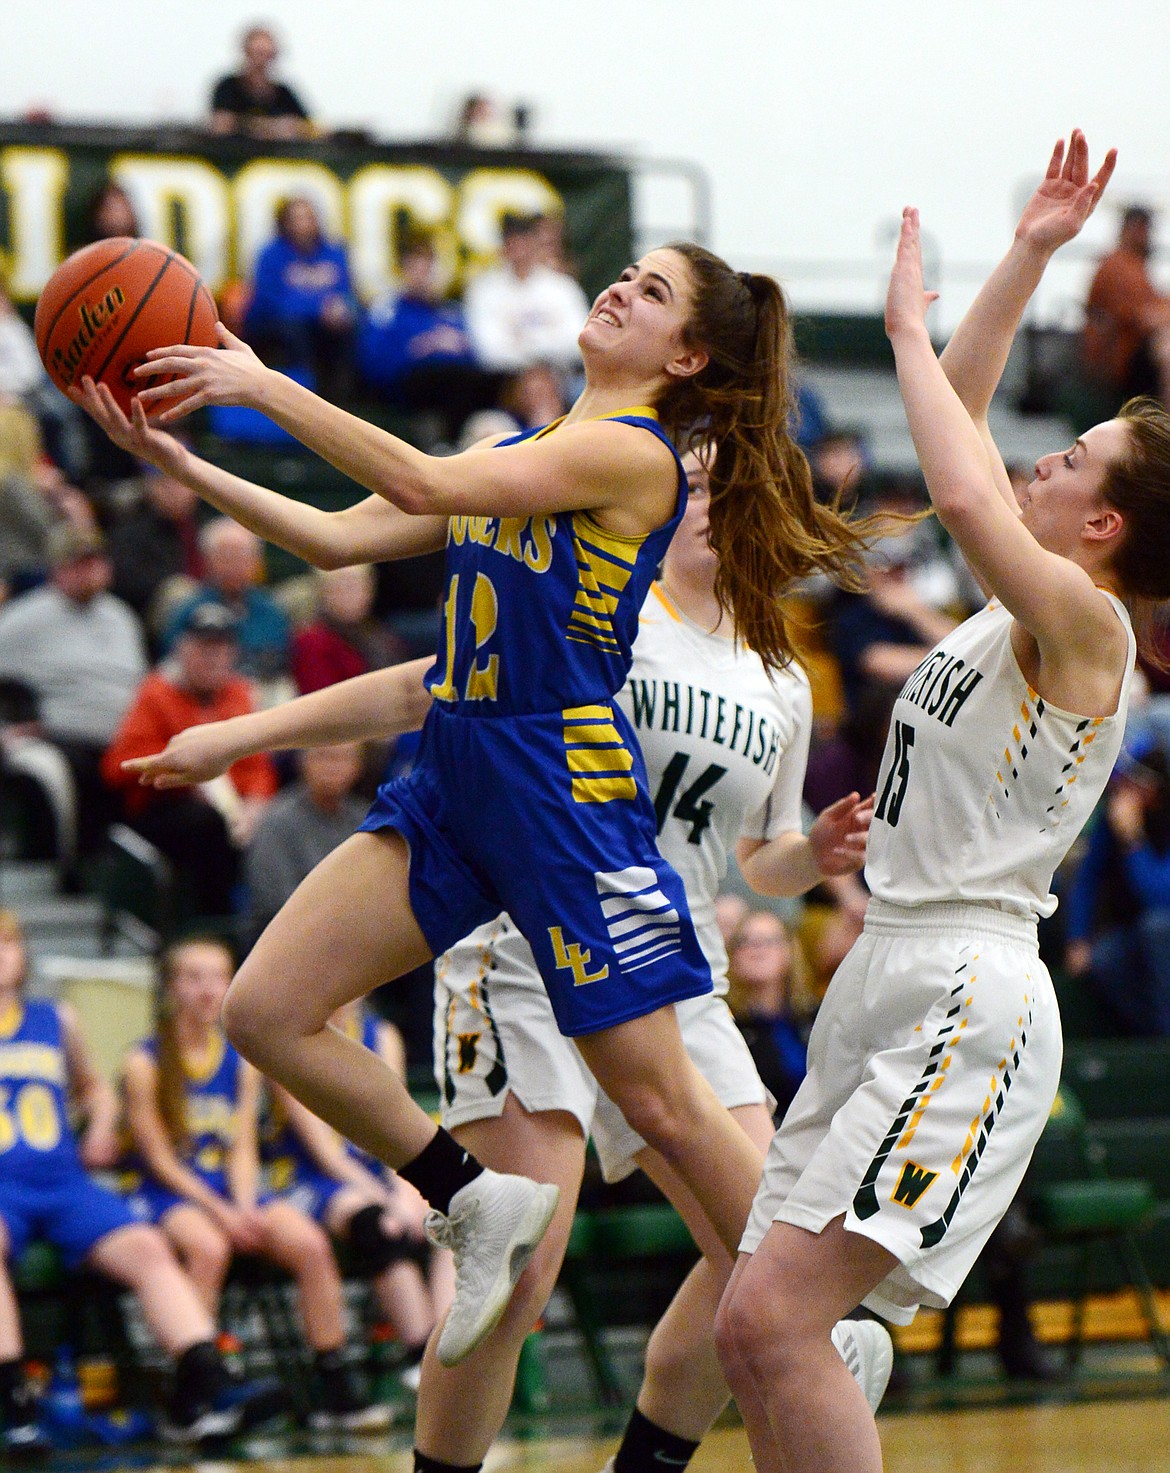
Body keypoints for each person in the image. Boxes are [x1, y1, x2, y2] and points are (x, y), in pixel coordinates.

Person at [74, 234, 876, 1373]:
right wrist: (179, 463)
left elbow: (422, 483)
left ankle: (836, 1328)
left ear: (689, 355)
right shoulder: (535, 444)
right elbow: (339, 533)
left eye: (651, 292)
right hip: (460, 767)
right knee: (267, 1010)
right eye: (626, 272)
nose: (617, 288)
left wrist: (260, 384)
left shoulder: (634, 456)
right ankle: (468, 1195)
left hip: (562, 788)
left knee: (663, 1106)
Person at [119, 451, 892, 1473]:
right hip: (526, 943)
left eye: (719, 486)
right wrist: (243, 736)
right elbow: (419, 689)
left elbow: (756, 856)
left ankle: (654, 1455)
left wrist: (813, 856)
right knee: (519, 1279)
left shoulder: (779, 676)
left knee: (762, 1249)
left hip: (677, 961)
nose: (698, 499)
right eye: (689, 483)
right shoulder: (605, 603)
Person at [714, 131, 1170, 1473]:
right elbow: (962, 421)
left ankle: (840, 1363)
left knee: (775, 1326)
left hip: (968, 991)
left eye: (1070, 456)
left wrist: (903, 328)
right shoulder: (1005, 610)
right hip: (884, 964)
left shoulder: (1085, 628)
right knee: (760, 1331)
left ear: (1101, 525)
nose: (1039, 460)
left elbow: (963, 473)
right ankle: (842, 1368)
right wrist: (1031, 250)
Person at [0, 910, 284, 1449]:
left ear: (23, 956)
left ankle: (208, 1376)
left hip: (64, 1182)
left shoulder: (56, 1019)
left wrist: (102, 1123)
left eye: (7, 945)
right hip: (2, 1187)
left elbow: (92, 1090)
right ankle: (13, 1400)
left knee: (148, 1246)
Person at [120, 935, 388, 1432]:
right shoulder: (145, 1062)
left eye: (218, 977)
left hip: (232, 1191)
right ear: (170, 986)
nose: (207, 989)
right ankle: (194, 1393)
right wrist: (223, 1214)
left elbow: (243, 1145)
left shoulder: (240, 1057)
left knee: (307, 1243)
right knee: (208, 1247)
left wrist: (243, 1206)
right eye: (193, 977)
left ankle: (333, 1383)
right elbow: (159, 1160)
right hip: (169, 1193)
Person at [261, 999, 448, 1395]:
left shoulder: (380, 1034)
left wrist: (404, 1188)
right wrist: (386, 1198)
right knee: (378, 1224)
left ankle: (450, 1353)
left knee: (452, 1217)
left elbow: (394, 1122)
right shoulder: (289, 1038)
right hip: (308, 1175)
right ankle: (421, 1353)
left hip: (376, 1166)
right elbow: (325, 1152)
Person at [101, 602, 278, 918]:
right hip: (165, 807)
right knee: (205, 823)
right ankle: (215, 923)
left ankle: (264, 919)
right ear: (182, 649)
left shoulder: (239, 694)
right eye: (204, 647)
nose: (213, 657)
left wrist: (254, 805)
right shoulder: (157, 692)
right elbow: (119, 766)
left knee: (278, 817)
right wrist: (182, 773)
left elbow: (258, 767)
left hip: (233, 808)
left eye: (222, 647)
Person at [0, 521, 147, 869]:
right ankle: (74, 873)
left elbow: (141, 682)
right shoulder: (25, 618)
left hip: (126, 737)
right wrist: (15, 722)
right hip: (60, 737)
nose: (90, 571)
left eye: (96, 562)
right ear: (57, 569)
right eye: (79, 563)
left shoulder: (121, 617)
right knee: (76, 772)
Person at [1064, 739, 1170, 1035]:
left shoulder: (1143, 822)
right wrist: (1077, 938)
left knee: (1157, 928)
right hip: (1133, 931)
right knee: (1103, 960)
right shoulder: (1112, 819)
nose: (1120, 790)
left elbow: (1160, 897)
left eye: (1130, 783)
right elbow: (1088, 877)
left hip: (1160, 926)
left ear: (1152, 790)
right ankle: (1151, 1035)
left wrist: (1133, 841)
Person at [357, 232, 498, 447]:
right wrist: (417, 349)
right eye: (416, 268)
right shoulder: (388, 310)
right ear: (404, 270)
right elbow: (372, 362)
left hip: (457, 381)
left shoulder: (451, 311)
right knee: (444, 378)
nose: (422, 275)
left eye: (428, 268)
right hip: (408, 383)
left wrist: (456, 346)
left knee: (479, 380)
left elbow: (474, 354)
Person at [243, 741, 369, 947]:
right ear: (302, 762)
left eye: (343, 758)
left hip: (356, 936)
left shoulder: (366, 818)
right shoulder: (277, 819)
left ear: (358, 767)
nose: (333, 767)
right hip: (287, 938)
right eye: (323, 756)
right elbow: (274, 900)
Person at [163, 518, 292, 695]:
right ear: (207, 561)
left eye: (241, 557)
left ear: (256, 562)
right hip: (202, 695)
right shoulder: (189, 609)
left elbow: (282, 662)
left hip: (261, 694)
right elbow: (171, 665)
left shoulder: (272, 611)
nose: (233, 565)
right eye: (225, 557)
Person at [244, 197, 356, 401]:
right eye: (297, 218)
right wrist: (318, 309)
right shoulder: (271, 254)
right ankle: (304, 398)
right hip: (276, 325)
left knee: (350, 329)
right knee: (294, 328)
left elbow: (347, 294)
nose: (303, 224)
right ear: (285, 223)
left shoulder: (334, 252)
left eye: (308, 217)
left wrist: (343, 310)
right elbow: (269, 301)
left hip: (326, 327)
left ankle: (343, 401)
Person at [1081, 204, 1170, 413]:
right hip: (1122, 356)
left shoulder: (1136, 266)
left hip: (1136, 350)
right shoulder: (1115, 266)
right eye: (1142, 229)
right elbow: (1142, 318)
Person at [207, 24, 312, 140]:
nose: (262, 60)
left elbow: (308, 127)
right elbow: (222, 124)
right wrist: (270, 126)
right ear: (247, 52)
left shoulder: (283, 92)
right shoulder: (228, 86)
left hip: (275, 156)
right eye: (257, 53)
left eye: (267, 54)